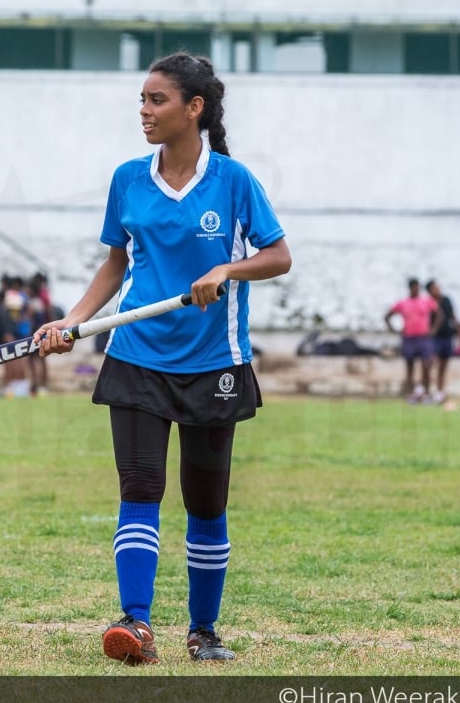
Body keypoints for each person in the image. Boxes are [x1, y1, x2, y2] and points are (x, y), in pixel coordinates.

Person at [36, 52, 291, 665]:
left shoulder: (233, 180)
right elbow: (116, 262)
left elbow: (278, 256)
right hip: (136, 356)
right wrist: (73, 320)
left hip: (215, 362)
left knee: (205, 502)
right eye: (142, 101)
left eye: (157, 100)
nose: (145, 112)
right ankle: (136, 623)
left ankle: (204, 631)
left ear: (193, 108)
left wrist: (227, 269)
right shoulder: (128, 178)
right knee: (140, 487)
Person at [384, 278, 441, 403]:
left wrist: (433, 329)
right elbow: (387, 316)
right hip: (409, 338)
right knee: (410, 367)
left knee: (426, 366)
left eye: (418, 287)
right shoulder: (403, 303)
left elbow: (439, 314)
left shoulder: (426, 301)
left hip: (423, 338)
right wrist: (395, 330)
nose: (416, 290)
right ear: (410, 288)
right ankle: (411, 395)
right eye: (414, 287)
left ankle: (426, 394)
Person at [425, 279, 458, 405]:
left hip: (447, 336)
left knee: (443, 366)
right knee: (429, 363)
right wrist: (431, 331)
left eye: (438, 287)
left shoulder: (446, 300)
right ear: (429, 290)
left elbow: (453, 316)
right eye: (435, 288)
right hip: (434, 338)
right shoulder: (427, 302)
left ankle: (440, 392)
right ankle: (426, 392)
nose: (438, 289)